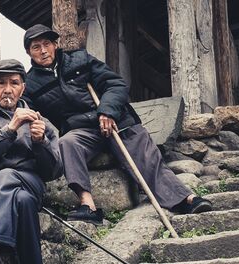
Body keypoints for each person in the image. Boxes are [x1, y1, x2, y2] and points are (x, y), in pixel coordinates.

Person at [21, 24, 212, 225]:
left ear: (54, 44)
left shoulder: (79, 59)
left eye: (47, 44)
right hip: (80, 130)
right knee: (67, 143)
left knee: (143, 154)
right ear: (28, 52)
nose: (43, 50)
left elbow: (115, 84)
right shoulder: (30, 83)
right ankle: (88, 206)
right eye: (36, 47)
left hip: (115, 120)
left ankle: (185, 199)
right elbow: (30, 114)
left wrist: (107, 111)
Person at [0, 59, 63, 264]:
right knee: (23, 200)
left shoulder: (41, 122)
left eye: (14, 83)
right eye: (1, 83)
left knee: (8, 176)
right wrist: (9, 130)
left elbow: (55, 171)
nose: (8, 89)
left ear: (22, 88)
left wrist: (41, 142)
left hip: (31, 182)